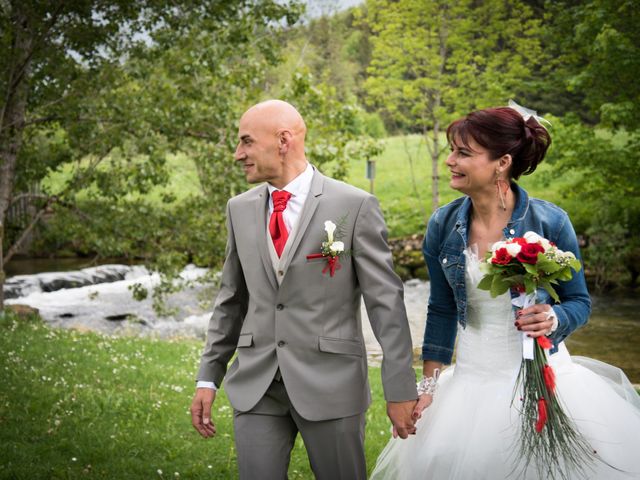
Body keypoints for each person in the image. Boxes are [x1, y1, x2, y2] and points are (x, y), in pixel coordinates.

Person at [371, 104, 640, 479]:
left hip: (544, 379)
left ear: (502, 162)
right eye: (452, 150)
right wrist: (429, 385)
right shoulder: (442, 225)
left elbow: (579, 303)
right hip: (469, 382)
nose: (450, 160)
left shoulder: (550, 221)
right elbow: (442, 309)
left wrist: (553, 317)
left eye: (463, 153)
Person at [190, 99, 418, 480]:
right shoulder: (239, 209)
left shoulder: (354, 206)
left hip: (332, 384)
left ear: (283, 140)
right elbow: (231, 300)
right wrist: (208, 376)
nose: (237, 154)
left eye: (246, 142)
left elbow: (386, 305)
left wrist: (399, 388)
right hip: (256, 384)